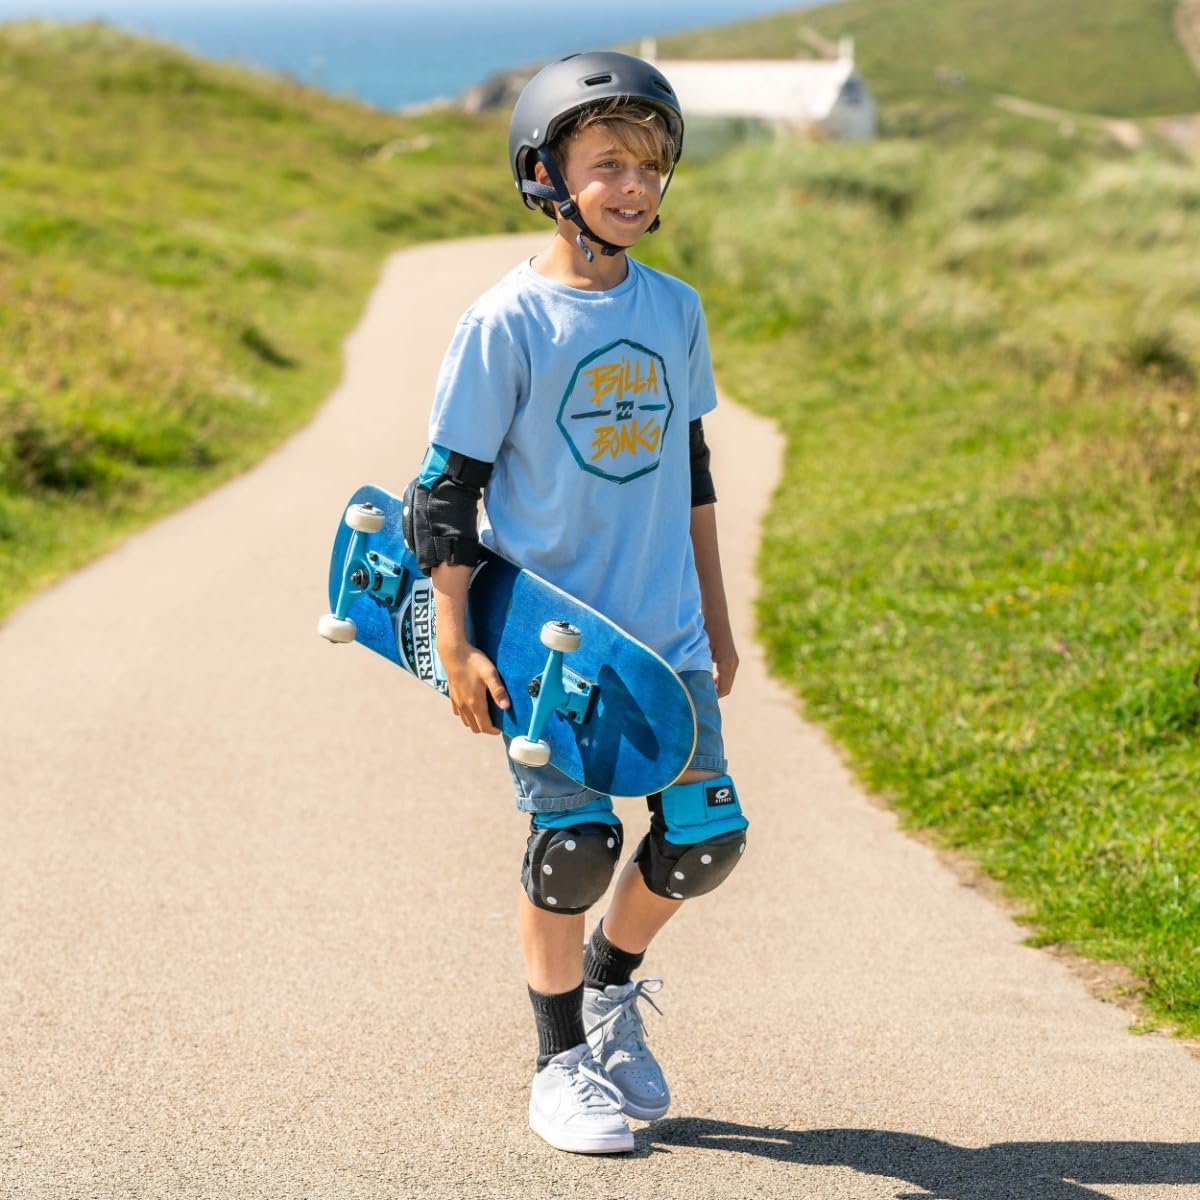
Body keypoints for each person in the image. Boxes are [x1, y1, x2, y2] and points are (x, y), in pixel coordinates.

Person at [404, 50, 748, 1155]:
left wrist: (718, 619)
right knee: (577, 844)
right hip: (550, 639)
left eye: (650, 165)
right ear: (545, 175)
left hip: (664, 632)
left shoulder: (675, 308)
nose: (634, 186)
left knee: (704, 839)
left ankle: (608, 987)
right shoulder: (506, 321)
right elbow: (444, 494)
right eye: (608, 164)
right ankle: (558, 1066)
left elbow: (691, 472)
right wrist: (455, 639)